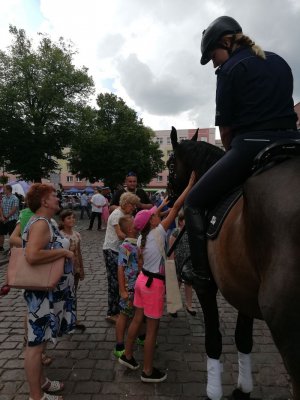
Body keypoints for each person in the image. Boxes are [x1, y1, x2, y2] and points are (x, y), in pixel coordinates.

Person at [184, 15, 300, 295]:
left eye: (213, 55)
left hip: (251, 145)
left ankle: (201, 272)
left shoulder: (229, 70)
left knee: (193, 202)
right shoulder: (279, 61)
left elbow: (225, 131)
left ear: (226, 42)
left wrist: (231, 155)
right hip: (294, 142)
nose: (214, 62)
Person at [119, 172, 195, 383]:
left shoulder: (143, 235)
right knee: (152, 330)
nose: (158, 216)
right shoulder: (159, 232)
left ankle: (127, 355)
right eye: (156, 216)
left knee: (136, 319)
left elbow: (153, 214)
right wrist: (188, 186)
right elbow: (178, 207)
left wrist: (160, 205)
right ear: (153, 222)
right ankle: (148, 370)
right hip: (154, 285)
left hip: (143, 281)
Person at [22, 183, 76, 400]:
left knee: (40, 342)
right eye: (54, 196)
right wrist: (63, 251)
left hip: (48, 292)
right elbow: (32, 255)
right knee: (35, 347)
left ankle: (42, 381)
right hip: (42, 295)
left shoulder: (47, 222)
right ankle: (36, 396)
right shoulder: (41, 223)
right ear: (44, 201)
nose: (58, 198)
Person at [103, 192, 140, 323]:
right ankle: (111, 312)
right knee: (114, 282)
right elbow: (119, 234)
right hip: (111, 250)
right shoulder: (117, 215)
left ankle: (121, 309)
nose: (134, 208)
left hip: (121, 250)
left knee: (122, 279)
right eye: (133, 205)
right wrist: (134, 240)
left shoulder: (124, 214)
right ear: (126, 204)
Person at [113, 215, 145, 358]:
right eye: (135, 223)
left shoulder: (136, 243)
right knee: (124, 315)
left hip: (138, 284)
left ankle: (141, 336)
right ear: (131, 229)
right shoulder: (125, 246)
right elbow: (120, 268)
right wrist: (122, 290)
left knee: (139, 312)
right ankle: (119, 345)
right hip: (129, 285)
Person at [59, 209, 85, 332]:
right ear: (62, 221)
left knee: (73, 293)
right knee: (62, 294)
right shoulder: (59, 235)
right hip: (63, 269)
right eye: (68, 218)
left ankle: (72, 318)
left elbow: (79, 253)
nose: (72, 220)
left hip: (75, 268)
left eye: (73, 217)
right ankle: (61, 318)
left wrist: (81, 269)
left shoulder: (77, 234)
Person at [169, 210, 196, 318]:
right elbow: (171, 248)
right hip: (178, 262)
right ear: (180, 221)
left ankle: (189, 304)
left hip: (189, 261)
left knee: (188, 283)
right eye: (186, 220)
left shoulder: (193, 231)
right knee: (177, 284)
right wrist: (171, 261)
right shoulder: (176, 231)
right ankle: (173, 307)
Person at [0, 184, 19, 251]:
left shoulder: (15, 198)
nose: (3, 191)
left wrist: (6, 217)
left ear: (9, 190)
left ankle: (11, 249)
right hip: (3, 218)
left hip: (12, 219)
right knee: (1, 233)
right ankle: (1, 247)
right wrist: (2, 216)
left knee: (11, 235)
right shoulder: (3, 198)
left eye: (4, 189)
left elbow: (14, 209)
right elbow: (1, 208)